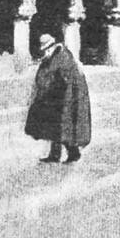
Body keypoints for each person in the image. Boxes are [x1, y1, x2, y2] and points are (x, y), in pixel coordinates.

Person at [25, 32, 92, 164]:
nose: (44, 52)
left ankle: (74, 154)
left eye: (45, 49)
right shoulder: (51, 57)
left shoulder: (63, 56)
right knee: (54, 125)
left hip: (68, 98)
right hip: (56, 97)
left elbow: (65, 78)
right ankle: (54, 155)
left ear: (52, 46)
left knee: (66, 125)